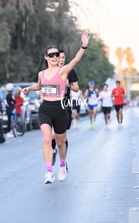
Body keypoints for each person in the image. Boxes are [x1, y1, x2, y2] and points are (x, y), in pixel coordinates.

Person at [23, 31, 90, 184]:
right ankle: (48, 172)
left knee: (60, 142)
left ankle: (61, 165)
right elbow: (40, 86)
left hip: (60, 109)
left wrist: (84, 46)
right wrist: (29, 89)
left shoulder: (63, 71)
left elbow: (76, 59)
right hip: (45, 108)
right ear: (46, 57)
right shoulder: (41, 74)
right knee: (47, 139)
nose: (54, 57)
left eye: (56, 55)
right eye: (51, 55)